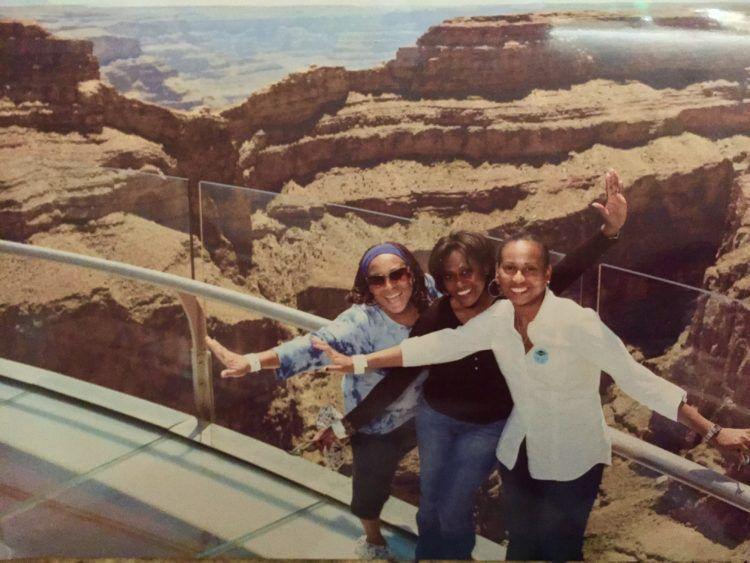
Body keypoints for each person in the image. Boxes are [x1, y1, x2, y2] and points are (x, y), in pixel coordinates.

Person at [314, 234, 750, 561]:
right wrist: (358, 363)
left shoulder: (577, 323)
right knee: (520, 546)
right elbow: (437, 346)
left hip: (573, 459)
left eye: (529, 270)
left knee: (561, 550)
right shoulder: (499, 316)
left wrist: (712, 431)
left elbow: (637, 379)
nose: (518, 278)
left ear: (546, 275)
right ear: (498, 274)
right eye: (509, 269)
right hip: (518, 453)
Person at [316, 171, 626, 559]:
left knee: (453, 502)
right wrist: (349, 424)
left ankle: (456, 555)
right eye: (448, 276)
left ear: (485, 270)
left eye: (467, 272)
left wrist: (608, 233)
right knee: (430, 501)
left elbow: (562, 273)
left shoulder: (510, 302)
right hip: (437, 419)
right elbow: (401, 376)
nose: (459, 283)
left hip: (488, 426)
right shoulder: (436, 316)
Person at [206, 241, 436, 559]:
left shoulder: (431, 298)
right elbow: (312, 347)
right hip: (375, 422)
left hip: (426, 411)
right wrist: (252, 361)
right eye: (377, 280)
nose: (390, 286)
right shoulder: (361, 323)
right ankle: (373, 542)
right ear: (367, 286)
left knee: (441, 477)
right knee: (370, 490)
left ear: (411, 274)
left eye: (397, 275)